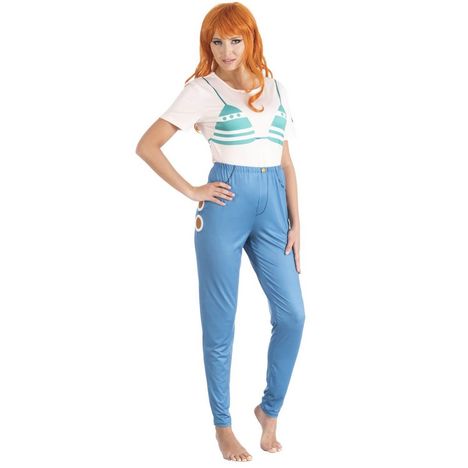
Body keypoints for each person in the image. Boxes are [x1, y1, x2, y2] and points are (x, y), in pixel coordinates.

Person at [135, 2, 305, 462]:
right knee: (220, 324)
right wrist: (193, 189)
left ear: (250, 40)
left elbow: (286, 162)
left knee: (292, 316)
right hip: (225, 207)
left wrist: (297, 224)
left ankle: (269, 410)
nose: (226, 50)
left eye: (235, 40)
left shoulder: (276, 87)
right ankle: (223, 427)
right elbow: (147, 146)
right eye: (217, 41)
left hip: (274, 211)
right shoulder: (201, 90)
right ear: (207, 45)